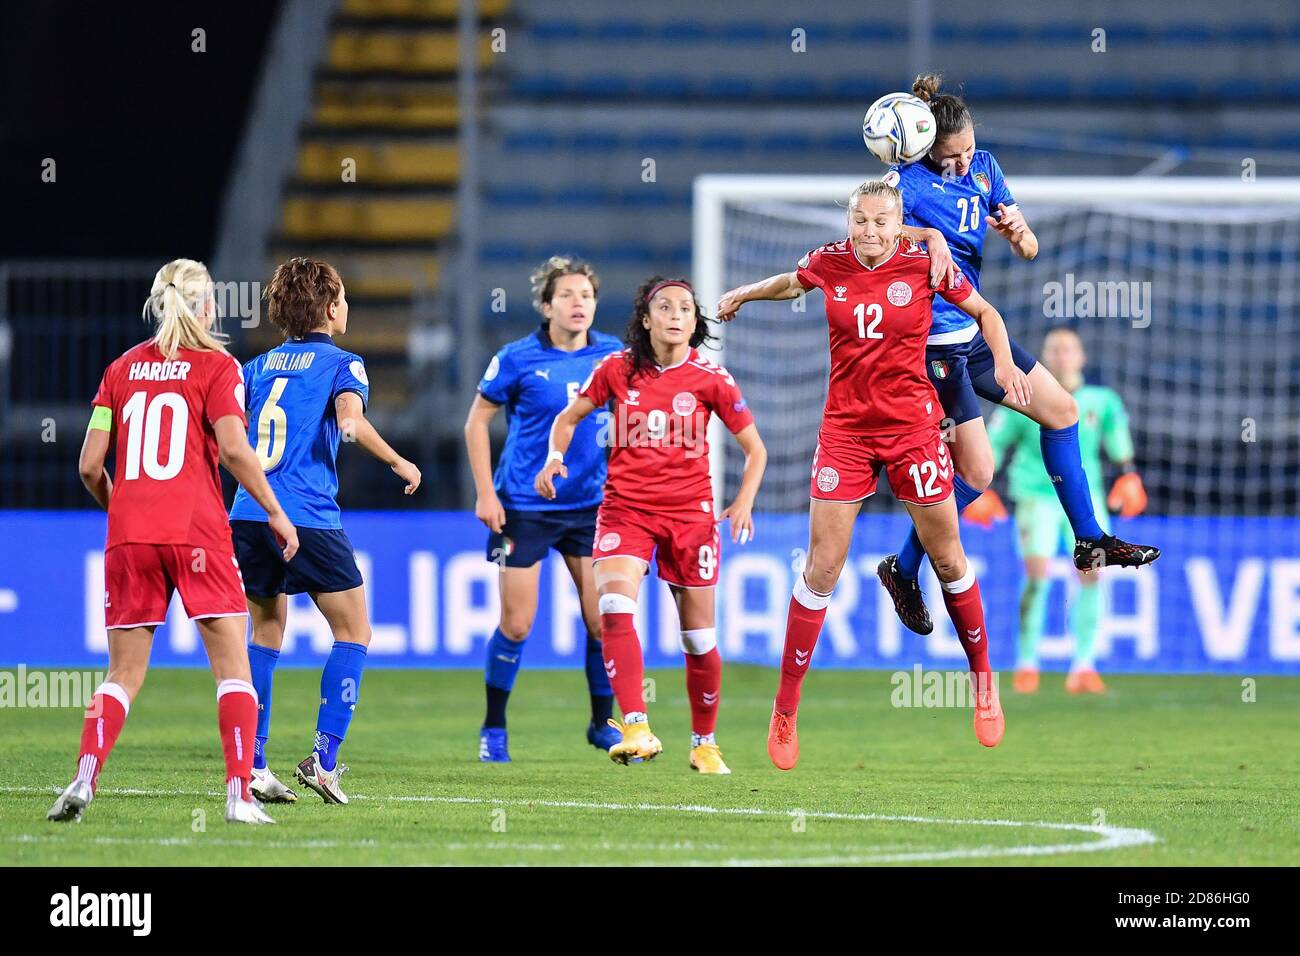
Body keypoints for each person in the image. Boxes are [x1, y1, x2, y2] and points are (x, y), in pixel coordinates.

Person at [716, 180, 1020, 770]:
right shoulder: (829, 261)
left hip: (912, 429)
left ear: (899, 221)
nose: (872, 230)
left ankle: (984, 683)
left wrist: (1003, 360)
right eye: (862, 220)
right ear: (850, 221)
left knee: (949, 557)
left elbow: (984, 311)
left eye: (882, 221)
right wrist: (744, 294)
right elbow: (790, 282)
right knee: (822, 565)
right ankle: (785, 709)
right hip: (846, 434)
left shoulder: (927, 261)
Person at [875, 73, 1159, 638]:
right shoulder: (899, 182)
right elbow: (868, 236)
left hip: (975, 332)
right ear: (927, 150)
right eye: (951, 157)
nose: (963, 163)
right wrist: (924, 237)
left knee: (1063, 412)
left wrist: (1020, 233)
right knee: (977, 471)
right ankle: (904, 567)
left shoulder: (985, 168)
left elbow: (1028, 248)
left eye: (968, 149)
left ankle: (1088, 540)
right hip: (929, 345)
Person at [48, 258, 300, 825]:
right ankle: (238, 797)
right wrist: (277, 513)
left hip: (130, 536)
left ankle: (84, 778)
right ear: (206, 305)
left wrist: (130, 512)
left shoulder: (120, 369)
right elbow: (235, 450)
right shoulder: (218, 367)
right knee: (233, 664)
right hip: (197, 532)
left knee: (124, 674)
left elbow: (90, 466)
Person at [536, 276, 766, 773]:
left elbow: (755, 449)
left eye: (685, 307)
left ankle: (705, 743)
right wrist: (555, 457)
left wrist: (743, 500)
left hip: (691, 517)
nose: (677, 314)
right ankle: (636, 725)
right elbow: (568, 418)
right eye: (665, 307)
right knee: (614, 607)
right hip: (626, 511)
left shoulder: (712, 379)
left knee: (698, 639)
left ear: (694, 321)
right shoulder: (617, 370)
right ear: (647, 319)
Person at [229, 257, 421, 806]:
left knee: (265, 633)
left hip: (250, 511)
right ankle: (324, 758)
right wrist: (399, 462)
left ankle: (254, 764)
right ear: (331, 306)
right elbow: (351, 425)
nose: (347, 306)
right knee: (355, 631)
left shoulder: (255, 367)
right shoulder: (345, 364)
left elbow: (231, 439)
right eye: (343, 297)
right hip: (307, 515)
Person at [464, 256, 623, 762]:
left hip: (592, 505)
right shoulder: (516, 357)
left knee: (602, 620)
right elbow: (475, 425)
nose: (579, 304)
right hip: (524, 507)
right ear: (546, 304)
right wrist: (486, 493)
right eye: (568, 295)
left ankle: (603, 724)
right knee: (517, 624)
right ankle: (493, 727)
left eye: (587, 296)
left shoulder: (613, 356)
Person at [969, 327, 1148, 694]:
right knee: (1037, 574)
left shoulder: (1103, 401)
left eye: (1069, 349)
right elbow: (994, 445)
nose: (1062, 356)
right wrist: (977, 488)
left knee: (1092, 574)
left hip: (1086, 497)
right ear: (1045, 357)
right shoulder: (1025, 395)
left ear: (1081, 357)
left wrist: (1129, 476)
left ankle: (1083, 664)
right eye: (1055, 349)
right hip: (1036, 495)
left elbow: (1118, 443)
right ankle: (1027, 661)